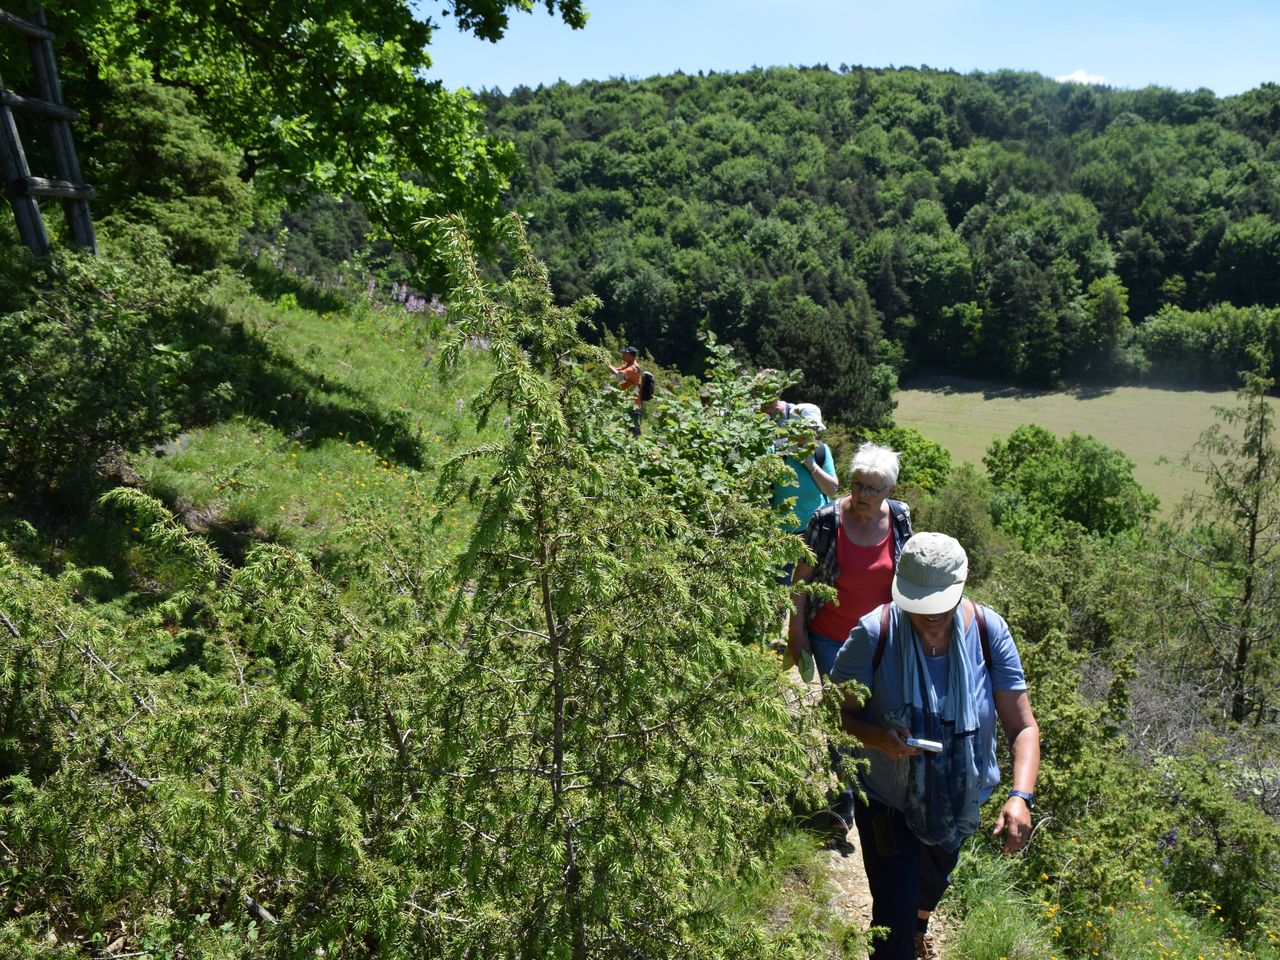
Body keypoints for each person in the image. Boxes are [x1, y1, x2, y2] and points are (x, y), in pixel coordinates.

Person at [829, 532, 1041, 960]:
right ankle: (901, 937)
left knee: (928, 888)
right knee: (891, 929)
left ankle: (918, 924)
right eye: (919, 604)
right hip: (888, 803)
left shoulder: (988, 630)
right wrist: (875, 738)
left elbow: (1022, 727)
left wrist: (1021, 797)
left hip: (958, 799)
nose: (929, 616)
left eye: (938, 603)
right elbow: (835, 714)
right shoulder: (876, 633)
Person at [788, 442, 912, 845]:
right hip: (831, 636)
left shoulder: (900, 519)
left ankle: (872, 790)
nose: (860, 494)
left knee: (876, 712)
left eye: (872, 489)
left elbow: (908, 575)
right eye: (857, 484)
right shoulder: (825, 520)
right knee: (844, 714)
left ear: (890, 491)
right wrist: (796, 630)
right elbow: (802, 577)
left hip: (883, 637)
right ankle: (845, 800)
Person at [771, 402, 838, 584]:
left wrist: (811, 464)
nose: (812, 433)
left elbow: (832, 489)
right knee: (779, 585)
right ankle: (782, 613)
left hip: (815, 528)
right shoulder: (777, 450)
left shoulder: (821, 451)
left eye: (814, 428)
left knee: (810, 583)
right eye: (807, 427)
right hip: (781, 530)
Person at [608, 345, 644, 436]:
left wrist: (607, 365)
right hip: (629, 401)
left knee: (633, 426)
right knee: (629, 425)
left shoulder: (633, 368)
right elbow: (616, 369)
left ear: (631, 356)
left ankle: (638, 445)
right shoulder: (628, 365)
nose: (623, 355)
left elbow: (619, 375)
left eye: (625, 353)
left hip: (634, 403)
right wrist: (607, 364)